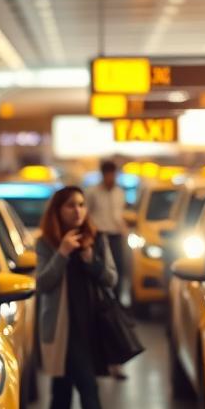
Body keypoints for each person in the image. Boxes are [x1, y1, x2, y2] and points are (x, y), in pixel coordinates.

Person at [30, 186, 126, 409]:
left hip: (91, 328)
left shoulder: (96, 239)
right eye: (71, 205)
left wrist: (89, 259)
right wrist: (62, 253)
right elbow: (43, 283)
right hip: (62, 330)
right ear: (58, 210)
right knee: (85, 389)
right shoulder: (47, 242)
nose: (78, 211)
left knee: (64, 391)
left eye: (82, 205)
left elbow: (111, 277)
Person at [85, 160, 128, 379]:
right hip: (99, 240)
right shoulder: (92, 193)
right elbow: (87, 217)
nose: (111, 178)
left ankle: (114, 360)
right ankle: (97, 359)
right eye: (108, 174)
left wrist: (123, 230)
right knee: (96, 297)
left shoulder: (120, 193)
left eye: (114, 174)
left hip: (115, 238)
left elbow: (119, 216)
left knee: (114, 296)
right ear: (103, 174)